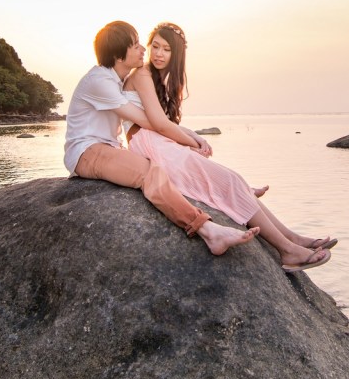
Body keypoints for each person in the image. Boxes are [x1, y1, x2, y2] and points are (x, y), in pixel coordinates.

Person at [123, 22, 335, 272]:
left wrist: (192, 137)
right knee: (230, 182)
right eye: (155, 46)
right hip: (150, 145)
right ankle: (288, 250)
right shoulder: (142, 75)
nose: (158, 53)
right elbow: (159, 124)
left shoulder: (159, 79)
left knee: (233, 181)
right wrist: (193, 141)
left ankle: (293, 238)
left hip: (157, 143)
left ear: (176, 54)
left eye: (166, 49)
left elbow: (163, 123)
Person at [64, 21, 259, 255]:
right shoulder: (100, 82)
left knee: (165, 163)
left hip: (106, 148)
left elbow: (152, 120)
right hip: (87, 152)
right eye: (135, 45)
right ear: (118, 55)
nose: (143, 50)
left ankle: (229, 191)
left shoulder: (115, 80)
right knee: (149, 172)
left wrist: (187, 135)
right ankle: (206, 230)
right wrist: (189, 139)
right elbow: (149, 122)